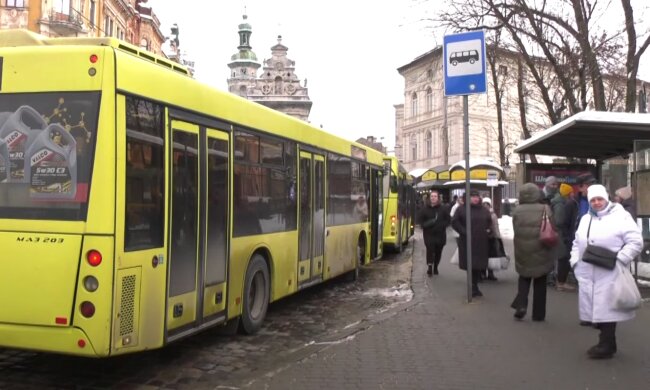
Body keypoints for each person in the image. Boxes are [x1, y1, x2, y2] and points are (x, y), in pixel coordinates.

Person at [570, 184, 643, 359]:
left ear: (606, 199)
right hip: (587, 271)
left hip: (610, 271)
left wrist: (620, 259)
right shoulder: (586, 218)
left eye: (600, 199)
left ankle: (607, 344)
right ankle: (607, 342)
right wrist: (574, 262)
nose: (596, 203)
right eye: (593, 200)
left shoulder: (620, 216)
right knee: (597, 307)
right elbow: (576, 242)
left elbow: (635, 241)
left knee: (608, 307)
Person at [510, 183, 556, 321]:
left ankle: (521, 306)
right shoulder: (545, 208)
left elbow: (515, 228)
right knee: (540, 281)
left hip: (522, 249)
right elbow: (552, 226)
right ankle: (538, 314)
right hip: (541, 248)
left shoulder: (517, 210)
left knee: (524, 277)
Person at [452, 190, 493, 297]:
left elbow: (489, 221)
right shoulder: (461, 209)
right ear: (468, 198)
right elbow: (455, 222)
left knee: (478, 265)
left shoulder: (484, 210)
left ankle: (475, 285)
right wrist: (464, 231)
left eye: (476, 196)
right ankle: (473, 287)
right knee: (470, 265)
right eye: (473, 196)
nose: (475, 198)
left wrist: (488, 230)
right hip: (467, 242)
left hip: (481, 242)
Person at [417, 191, 451, 276]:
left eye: (435, 196)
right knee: (430, 250)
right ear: (429, 198)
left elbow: (448, 220)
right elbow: (420, 220)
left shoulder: (443, 209)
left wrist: (441, 225)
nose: (433, 198)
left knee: (438, 251)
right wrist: (424, 225)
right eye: (432, 196)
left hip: (440, 234)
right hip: (429, 234)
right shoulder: (424, 209)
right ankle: (429, 267)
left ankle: (436, 266)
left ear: (438, 198)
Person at [554, 183, 576, 291]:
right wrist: (567, 236)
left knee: (564, 258)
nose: (573, 193)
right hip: (564, 236)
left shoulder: (565, 203)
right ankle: (561, 282)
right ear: (568, 193)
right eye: (571, 192)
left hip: (563, 235)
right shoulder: (567, 204)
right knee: (564, 258)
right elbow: (562, 222)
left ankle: (561, 281)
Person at [482, 197, 500, 281]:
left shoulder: (493, 215)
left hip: (491, 238)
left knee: (491, 256)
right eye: (484, 204)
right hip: (481, 238)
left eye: (487, 204)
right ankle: (482, 273)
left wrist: (498, 237)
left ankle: (490, 273)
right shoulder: (480, 213)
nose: (486, 206)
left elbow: (496, 226)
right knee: (482, 256)